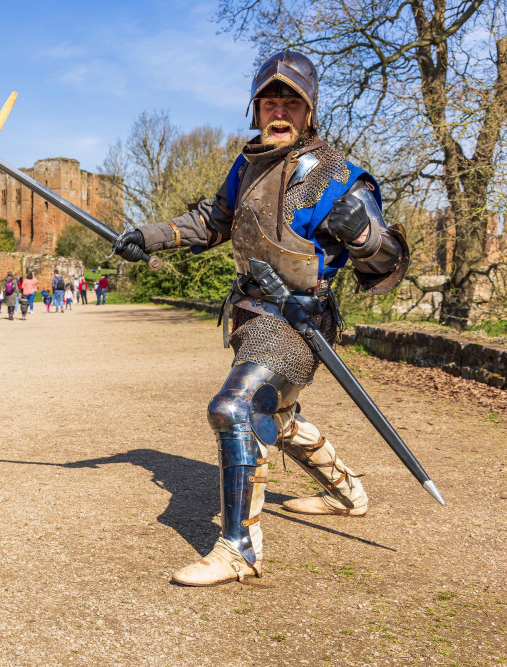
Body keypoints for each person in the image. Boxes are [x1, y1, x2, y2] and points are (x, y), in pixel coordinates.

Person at [111, 51, 409, 586]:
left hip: (298, 322)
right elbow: (211, 221)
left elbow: (387, 263)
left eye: (291, 100)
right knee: (277, 417)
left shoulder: (343, 176)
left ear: (310, 110)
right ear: (255, 108)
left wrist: (365, 235)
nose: (279, 109)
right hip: (251, 315)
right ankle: (346, 491)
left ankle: (239, 548)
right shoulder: (248, 165)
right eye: (270, 99)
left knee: (235, 409)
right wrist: (151, 236)